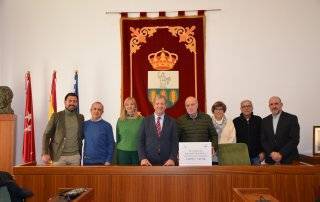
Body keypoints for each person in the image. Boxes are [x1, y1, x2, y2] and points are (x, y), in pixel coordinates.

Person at [42, 93, 84, 165]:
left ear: (77, 103)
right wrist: (45, 153)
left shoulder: (80, 117)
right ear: (65, 102)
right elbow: (46, 134)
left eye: (75, 101)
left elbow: (81, 135)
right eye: (70, 101)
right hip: (58, 156)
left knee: (75, 177)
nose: (72, 103)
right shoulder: (56, 116)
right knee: (57, 177)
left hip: (75, 156)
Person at [138, 95, 178, 166]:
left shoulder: (172, 122)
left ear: (165, 106)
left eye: (162, 104)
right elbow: (140, 141)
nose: (160, 106)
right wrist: (143, 158)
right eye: (157, 103)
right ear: (153, 105)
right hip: (148, 162)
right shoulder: (145, 121)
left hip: (167, 162)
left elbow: (174, 142)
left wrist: (172, 158)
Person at [261, 96, 300, 164]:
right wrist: (272, 153)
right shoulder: (265, 120)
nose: (274, 106)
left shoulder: (292, 118)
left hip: (289, 159)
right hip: (271, 159)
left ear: (281, 105)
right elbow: (263, 140)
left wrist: (281, 154)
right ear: (269, 106)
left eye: (276, 103)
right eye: (271, 104)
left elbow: (294, 139)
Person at [233, 100, 264, 165]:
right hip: (241, 156)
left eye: (248, 106)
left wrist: (262, 151)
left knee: (256, 174)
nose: (246, 108)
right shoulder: (235, 121)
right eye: (244, 106)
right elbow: (234, 139)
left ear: (252, 108)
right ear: (241, 109)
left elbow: (263, 137)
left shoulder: (258, 120)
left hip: (256, 156)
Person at [116, 97, 143, 165]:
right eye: (127, 105)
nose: (129, 106)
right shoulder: (120, 120)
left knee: (136, 174)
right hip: (122, 152)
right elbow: (118, 137)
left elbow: (144, 137)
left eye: (132, 104)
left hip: (137, 152)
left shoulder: (142, 120)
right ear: (124, 107)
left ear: (135, 106)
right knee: (123, 174)